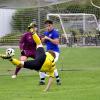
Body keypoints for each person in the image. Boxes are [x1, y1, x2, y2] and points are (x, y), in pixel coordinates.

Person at [0, 24, 57, 91]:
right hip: (34, 60)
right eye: (34, 27)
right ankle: (15, 73)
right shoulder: (26, 35)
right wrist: (22, 50)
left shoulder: (46, 52)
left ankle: (10, 58)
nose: (36, 28)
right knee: (23, 59)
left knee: (21, 63)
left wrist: (44, 39)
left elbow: (40, 41)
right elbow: (21, 42)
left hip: (37, 54)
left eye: (35, 27)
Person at [39, 20, 61, 85]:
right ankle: (42, 80)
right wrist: (43, 40)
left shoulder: (55, 33)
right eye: (46, 26)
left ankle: (57, 79)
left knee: (50, 64)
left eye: (49, 26)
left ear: (52, 25)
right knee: (42, 63)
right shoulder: (46, 33)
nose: (48, 27)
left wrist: (48, 38)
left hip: (55, 52)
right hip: (48, 52)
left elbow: (56, 42)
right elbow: (44, 42)